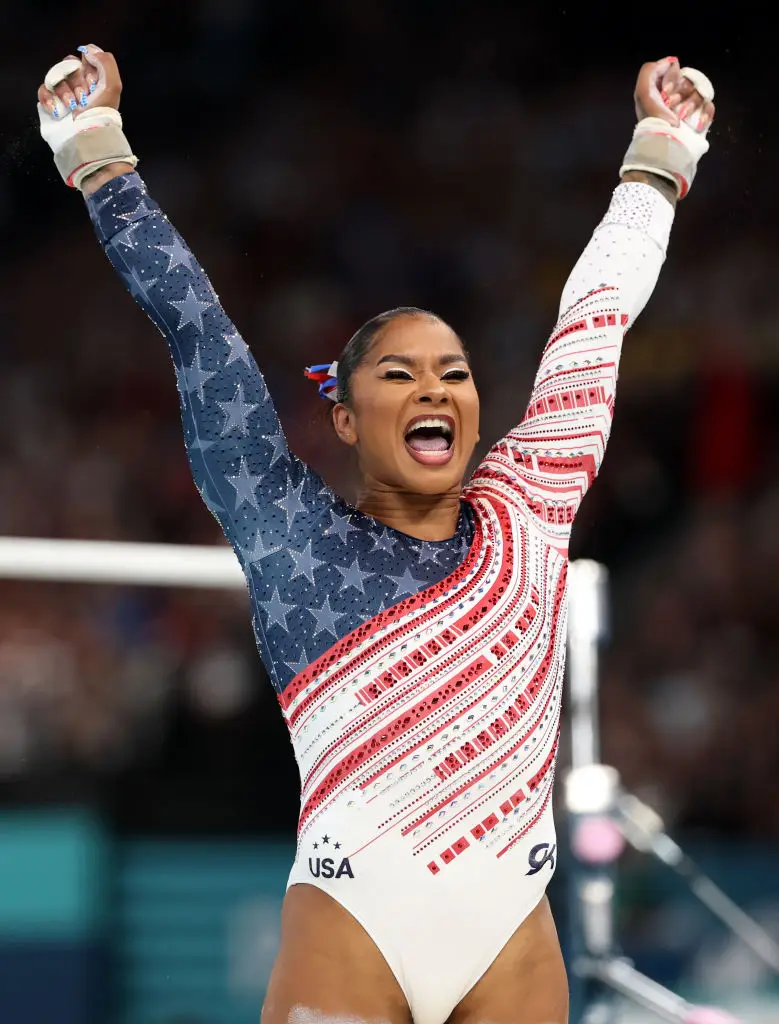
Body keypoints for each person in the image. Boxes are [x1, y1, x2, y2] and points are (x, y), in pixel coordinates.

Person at [36, 43, 715, 1024]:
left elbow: (596, 319)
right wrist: (96, 150)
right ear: (346, 421)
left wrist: (659, 153)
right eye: (398, 374)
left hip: (511, 945)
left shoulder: (530, 504)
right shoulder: (292, 537)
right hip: (352, 932)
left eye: (453, 372)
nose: (434, 387)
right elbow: (198, 332)